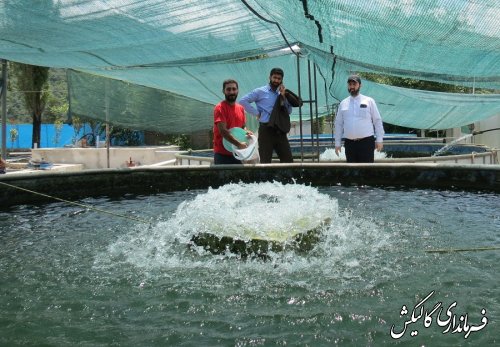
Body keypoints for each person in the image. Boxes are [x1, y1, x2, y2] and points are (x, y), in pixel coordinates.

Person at [240, 67, 299, 163]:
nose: (276, 80)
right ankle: (265, 179)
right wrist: (257, 113)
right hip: (266, 130)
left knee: (288, 161)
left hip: (280, 131)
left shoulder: (283, 93)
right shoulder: (260, 91)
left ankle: (287, 178)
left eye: (279, 79)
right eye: (274, 77)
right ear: (270, 77)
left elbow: (288, 111)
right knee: (265, 162)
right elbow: (243, 101)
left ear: (281, 80)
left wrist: (284, 97)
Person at [334, 74, 385, 163]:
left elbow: (377, 120)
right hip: (349, 144)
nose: (352, 87)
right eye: (350, 84)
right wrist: (337, 143)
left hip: (366, 143)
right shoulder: (343, 103)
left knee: (367, 172)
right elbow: (338, 124)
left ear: (360, 85)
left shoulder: (369, 101)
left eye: (354, 84)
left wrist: (379, 139)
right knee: (352, 172)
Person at [213, 79, 252, 165]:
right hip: (222, 155)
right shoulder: (220, 108)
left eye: (234, 89)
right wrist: (238, 144)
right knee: (223, 178)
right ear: (223, 91)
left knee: (240, 178)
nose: (231, 92)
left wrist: (246, 131)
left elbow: (242, 126)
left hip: (238, 153)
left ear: (237, 90)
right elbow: (223, 131)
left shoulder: (241, 108)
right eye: (228, 89)